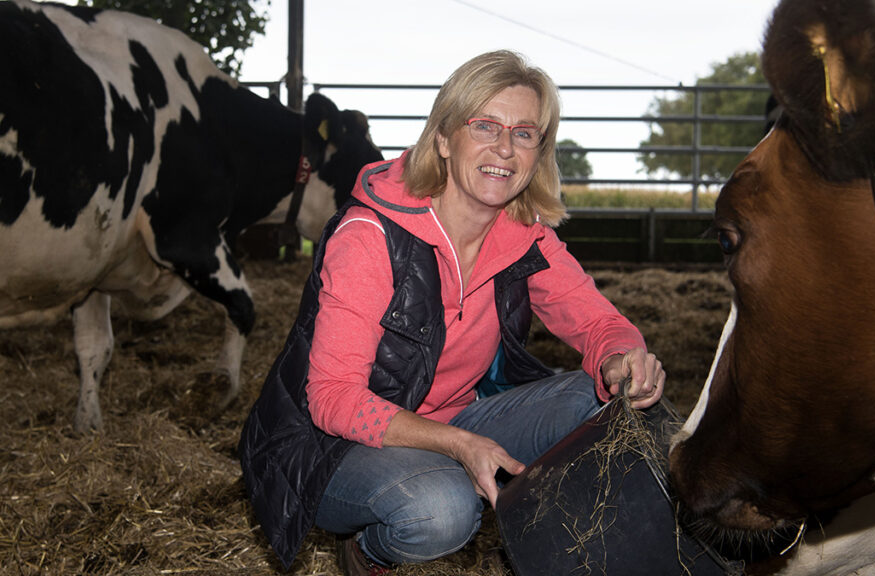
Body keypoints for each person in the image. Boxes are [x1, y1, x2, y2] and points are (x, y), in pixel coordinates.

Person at [238, 49, 665, 575]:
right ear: (442, 139)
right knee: (441, 510)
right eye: (485, 125)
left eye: (525, 133)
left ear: (538, 153)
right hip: (330, 447)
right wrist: (460, 445)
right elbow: (333, 400)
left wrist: (623, 358)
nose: (505, 148)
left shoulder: (525, 237)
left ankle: (552, 548)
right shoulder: (370, 236)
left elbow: (597, 321)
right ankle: (368, 552)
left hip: (458, 418)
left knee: (604, 401)